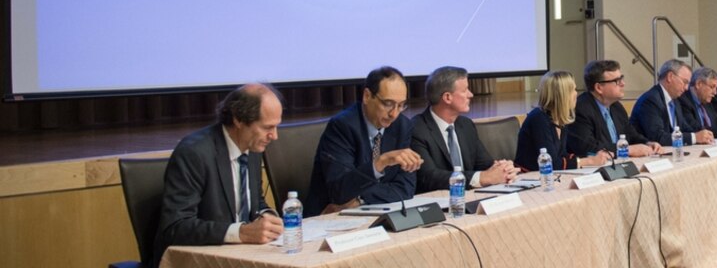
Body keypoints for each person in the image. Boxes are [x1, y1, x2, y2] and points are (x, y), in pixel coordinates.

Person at [156, 83, 285, 267]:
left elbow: (254, 202)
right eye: (267, 128)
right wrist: (240, 232)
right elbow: (176, 227)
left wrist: (269, 219)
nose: (274, 136)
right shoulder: (195, 153)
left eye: (276, 127)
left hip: (240, 257)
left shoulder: (253, 147)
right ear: (239, 120)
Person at [304, 66, 423, 216]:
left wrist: (360, 199)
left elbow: (406, 188)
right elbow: (340, 191)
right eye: (387, 104)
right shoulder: (343, 127)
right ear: (367, 96)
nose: (394, 114)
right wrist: (380, 163)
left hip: (372, 210)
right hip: (329, 216)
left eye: (400, 105)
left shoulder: (402, 126)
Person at [411, 66, 518, 193]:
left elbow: (485, 164)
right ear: (447, 97)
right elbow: (429, 177)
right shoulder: (417, 129)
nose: (471, 94)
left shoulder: (466, 125)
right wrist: (482, 178)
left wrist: (503, 170)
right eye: (465, 90)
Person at [514, 71, 611, 171]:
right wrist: (589, 161)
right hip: (528, 177)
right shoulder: (539, 119)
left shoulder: (560, 118)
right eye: (573, 90)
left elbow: (562, 155)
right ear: (562, 95)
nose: (576, 94)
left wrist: (590, 158)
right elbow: (552, 163)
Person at [568, 60, 663, 158]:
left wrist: (647, 143)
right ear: (599, 88)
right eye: (617, 81)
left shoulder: (616, 106)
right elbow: (587, 147)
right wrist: (626, 149)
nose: (623, 84)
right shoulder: (581, 109)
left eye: (621, 78)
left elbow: (632, 135)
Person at [631, 60, 715, 146]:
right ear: (670, 77)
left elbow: (684, 127)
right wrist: (694, 137)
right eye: (685, 82)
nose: (686, 88)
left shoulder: (675, 100)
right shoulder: (651, 100)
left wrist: (703, 135)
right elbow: (658, 137)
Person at [676, 66, 717, 140]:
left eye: (716, 88)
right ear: (698, 84)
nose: (715, 93)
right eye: (712, 87)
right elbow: (696, 129)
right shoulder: (683, 101)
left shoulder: (707, 101)